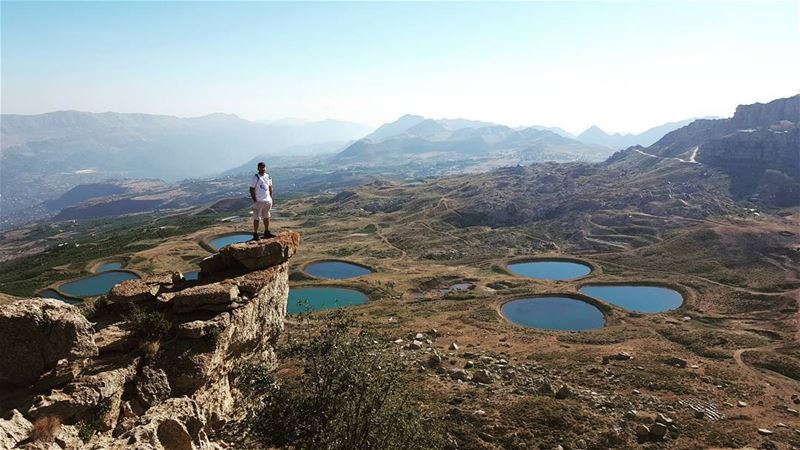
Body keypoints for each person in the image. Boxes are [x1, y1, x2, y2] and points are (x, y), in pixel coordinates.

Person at [249, 162, 274, 240]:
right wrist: (255, 200)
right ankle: (255, 234)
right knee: (256, 217)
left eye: (264, 167)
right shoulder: (256, 177)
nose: (262, 169)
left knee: (266, 216)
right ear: (258, 168)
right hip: (259, 201)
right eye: (261, 167)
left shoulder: (268, 176)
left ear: (265, 168)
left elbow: (270, 187)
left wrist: (270, 197)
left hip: (267, 201)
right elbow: (251, 189)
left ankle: (266, 232)